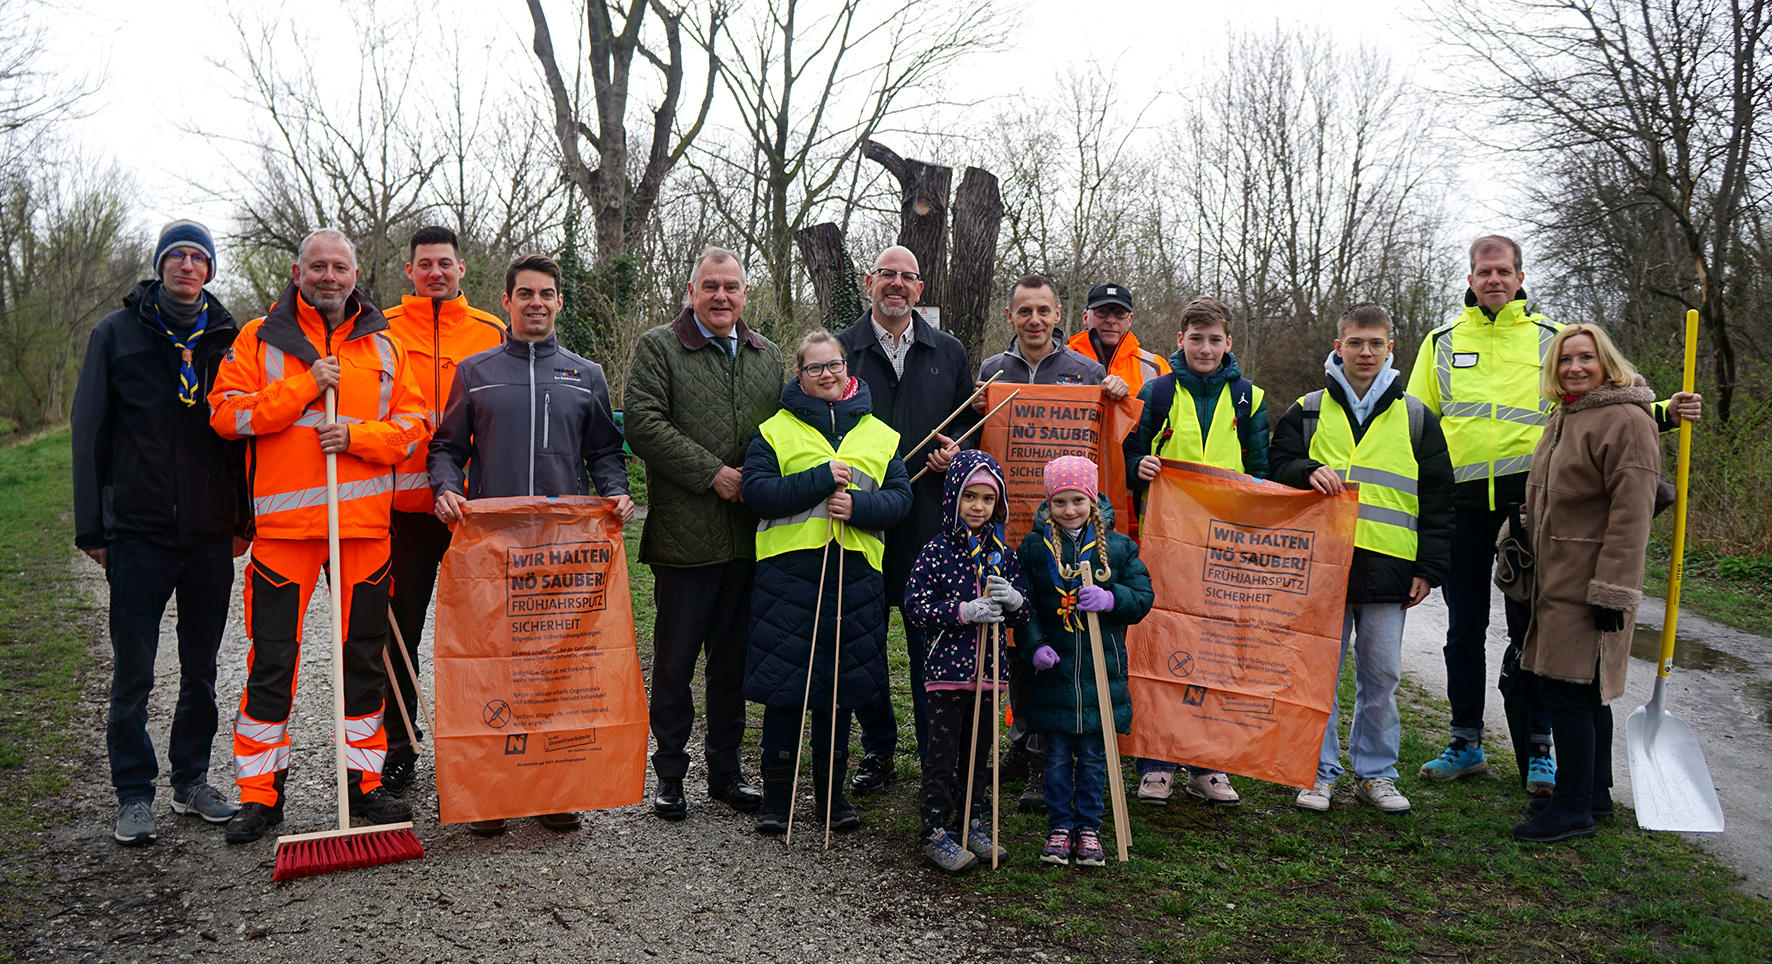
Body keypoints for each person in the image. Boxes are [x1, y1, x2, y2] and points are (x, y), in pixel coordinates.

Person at [1406, 235, 1700, 792]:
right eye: (1483, 271)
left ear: (1520, 277)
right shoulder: (1441, 342)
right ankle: (1465, 741)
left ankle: (1538, 747)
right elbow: (1415, 422)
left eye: (1503, 271)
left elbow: (1600, 405)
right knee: (1464, 627)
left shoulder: (1551, 339)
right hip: (1463, 506)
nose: (1494, 279)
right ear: (1469, 279)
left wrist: (1662, 410)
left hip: (1532, 507)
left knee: (1533, 627)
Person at [207, 229, 427, 843]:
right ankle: (260, 792)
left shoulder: (386, 344)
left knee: (364, 660)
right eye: (318, 266)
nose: (329, 276)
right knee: (272, 661)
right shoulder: (258, 338)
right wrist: (306, 385)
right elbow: (227, 415)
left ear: (356, 274)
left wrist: (355, 437)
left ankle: (366, 782)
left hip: (362, 533)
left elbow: (412, 427)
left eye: (340, 266)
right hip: (285, 535)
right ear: (298, 271)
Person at [427, 253, 634, 835]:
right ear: (508, 301)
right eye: (525, 294)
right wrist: (446, 488)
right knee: (492, 666)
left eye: (546, 294)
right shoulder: (475, 370)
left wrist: (616, 494)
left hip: (563, 552)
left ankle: (554, 788)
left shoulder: (587, 373)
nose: (536, 303)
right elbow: (446, 448)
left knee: (555, 670)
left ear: (559, 302)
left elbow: (604, 454)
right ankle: (491, 793)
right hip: (491, 548)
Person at [72, 220, 247, 844]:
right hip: (139, 532)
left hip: (207, 534)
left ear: (209, 270)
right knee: (135, 670)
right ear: (160, 265)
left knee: (201, 667)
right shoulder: (115, 335)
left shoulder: (230, 340)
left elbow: (243, 438)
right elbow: (89, 431)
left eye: (199, 258)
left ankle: (191, 779)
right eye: (177, 256)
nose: (188, 266)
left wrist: (242, 520)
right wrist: (93, 526)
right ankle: (132, 793)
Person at [1270, 303, 1455, 815]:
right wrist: (1305, 469)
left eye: (1375, 342)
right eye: (1356, 342)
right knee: (1319, 675)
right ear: (1339, 347)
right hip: (1321, 567)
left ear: (1391, 347)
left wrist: (1429, 568)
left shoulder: (1416, 416)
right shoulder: (1307, 409)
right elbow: (1274, 463)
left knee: (1382, 677)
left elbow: (1439, 499)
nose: (1366, 351)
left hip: (1390, 568)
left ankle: (1376, 773)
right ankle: (1318, 772)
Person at [625, 246, 784, 821]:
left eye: (732, 287)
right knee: (674, 665)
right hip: (684, 540)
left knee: (733, 666)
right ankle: (669, 774)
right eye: (710, 286)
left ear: (746, 293)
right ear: (692, 291)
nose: (722, 296)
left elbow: (788, 428)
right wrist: (710, 473)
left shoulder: (768, 355)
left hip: (750, 539)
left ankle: (725, 773)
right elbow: (642, 422)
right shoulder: (659, 346)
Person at [741, 331, 912, 835]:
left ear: (847, 368)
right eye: (815, 369)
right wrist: (820, 478)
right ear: (800, 376)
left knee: (837, 694)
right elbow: (757, 493)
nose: (827, 375)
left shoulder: (880, 434)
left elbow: (900, 499)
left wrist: (860, 507)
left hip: (855, 577)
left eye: (834, 365)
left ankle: (830, 801)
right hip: (788, 580)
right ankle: (778, 802)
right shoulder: (773, 431)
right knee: (785, 692)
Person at [1511, 324, 1660, 843]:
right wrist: (1518, 530)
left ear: (1606, 362)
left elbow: (1632, 512)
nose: (1575, 367)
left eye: (1586, 358)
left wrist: (1613, 592)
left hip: (1592, 579)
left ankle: (1572, 809)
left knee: (1569, 692)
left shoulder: (1626, 420)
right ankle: (1596, 794)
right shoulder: (1564, 417)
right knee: (1585, 691)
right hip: (1554, 574)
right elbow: (1546, 492)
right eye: (1565, 359)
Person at [836, 245, 975, 791]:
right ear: (870, 281)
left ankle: (936, 757)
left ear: (921, 288)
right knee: (864, 644)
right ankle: (877, 751)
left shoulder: (949, 350)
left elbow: (971, 429)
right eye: (887, 274)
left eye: (908, 277)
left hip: (928, 524)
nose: (897, 284)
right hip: (862, 519)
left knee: (928, 644)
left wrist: (954, 453)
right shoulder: (842, 350)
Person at [1121, 295, 1269, 806]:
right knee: (1161, 649)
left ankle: (1209, 764)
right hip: (1164, 546)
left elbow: (1263, 471)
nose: (1205, 348)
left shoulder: (1250, 398)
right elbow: (1129, 451)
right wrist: (1136, 467)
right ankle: (1156, 762)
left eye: (1214, 339)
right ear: (1179, 341)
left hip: (1227, 551)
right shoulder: (1157, 391)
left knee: (1218, 655)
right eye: (1195, 338)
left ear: (1229, 343)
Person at [380, 225, 508, 798]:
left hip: (473, 510)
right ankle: (398, 747)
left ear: (461, 270)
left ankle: (486, 744)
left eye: (445, 264)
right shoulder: (379, 328)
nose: (436, 272)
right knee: (397, 634)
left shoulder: (491, 331)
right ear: (410, 271)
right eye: (425, 263)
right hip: (403, 507)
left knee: (482, 635)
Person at [972, 274, 1107, 813]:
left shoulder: (1087, 373)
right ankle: (1022, 740)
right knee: (1019, 639)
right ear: (1010, 316)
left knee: (1059, 637)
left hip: (1068, 528)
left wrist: (1118, 395)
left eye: (1043, 311)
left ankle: (1044, 752)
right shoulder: (991, 373)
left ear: (1059, 316)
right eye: (1024, 310)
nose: (1033, 320)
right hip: (1010, 530)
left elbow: (1110, 441)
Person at [1016, 456, 1152, 867]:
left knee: (1094, 756)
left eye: (1078, 500)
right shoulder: (1034, 549)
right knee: (1055, 755)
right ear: (1049, 504)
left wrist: (1113, 599)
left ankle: (1089, 827)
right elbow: (1026, 608)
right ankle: (1060, 825)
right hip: (1054, 675)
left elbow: (1143, 598)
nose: (1070, 510)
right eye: (1060, 502)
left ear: (1092, 501)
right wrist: (1034, 645)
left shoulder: (1121, 548)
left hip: (1100, 674)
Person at [903, 450, 1031, 872]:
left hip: (991, 673)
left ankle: (971, 822)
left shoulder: (1003, 555)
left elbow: (1022, 614)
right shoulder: (937, 550)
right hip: (947, 673)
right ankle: (934, 829)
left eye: (988, 499)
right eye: (969, 497)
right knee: (942, 753)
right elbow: (915, 606)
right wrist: (963, 611)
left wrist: (1013, 601)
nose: (978, 507)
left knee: (978, 752)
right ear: (952, 498)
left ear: (999, 504)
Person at [1068, 282, 1172, 542]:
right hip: (1068, 498)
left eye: (1119, 313)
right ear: (1086, 316)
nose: (1111, 320)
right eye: (1102, 312)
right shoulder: (1062, 359)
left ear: (1131, 319)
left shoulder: (1156, 367)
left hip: (1133, 501)